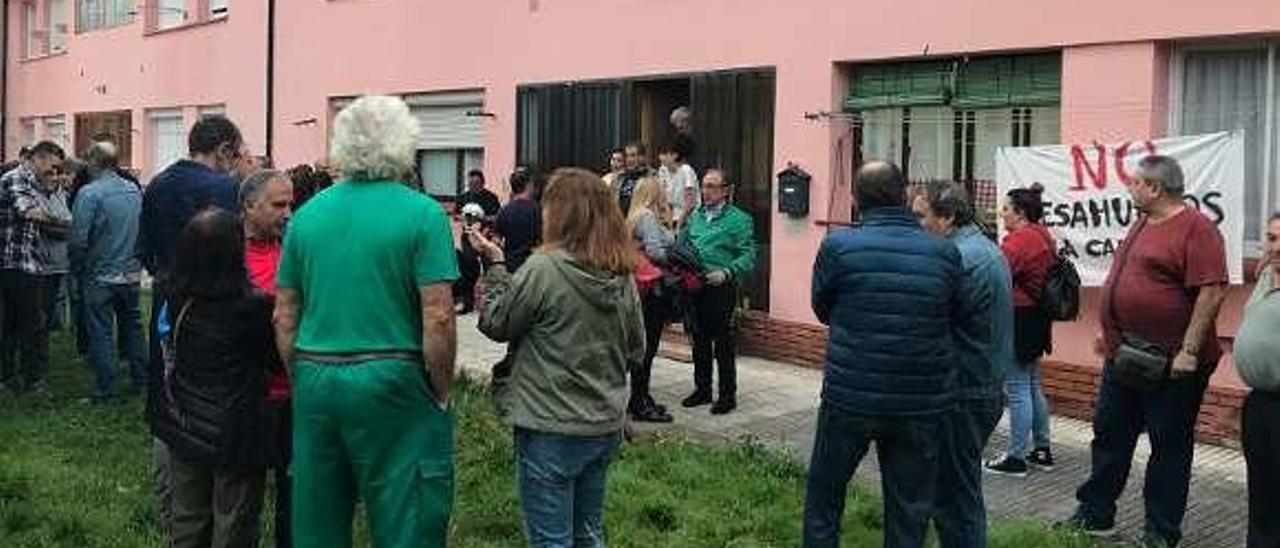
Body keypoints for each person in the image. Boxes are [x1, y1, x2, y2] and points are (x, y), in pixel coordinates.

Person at [274, 95, 458, 548]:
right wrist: (441, 388)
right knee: (407, 511)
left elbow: (285, 314)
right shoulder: (423, 214)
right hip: (393, 377)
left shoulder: (307, 216)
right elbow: (438, 315)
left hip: (316, 374)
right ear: (404, 146)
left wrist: (299, 374)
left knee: (317, 513)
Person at [472, 167, 644, 548]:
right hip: (602, 425)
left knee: (551, 540)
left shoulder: (544, 269)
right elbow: (636, 348)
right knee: (587, 533)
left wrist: (496, 266)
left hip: (550, 425)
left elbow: (497, 322)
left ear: (562, 214)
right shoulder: (622, 274)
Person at [1065, 155, 1228, 547]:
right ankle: (1095, 514)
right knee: (1109, 435)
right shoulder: (1141, 221)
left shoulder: (1197, 229)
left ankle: (1160, 532)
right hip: (1126, 355)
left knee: (1168, 447)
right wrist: (1111, 333)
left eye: (1135, 182)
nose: (1129, 187)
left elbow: (1212, 290)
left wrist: (1189, 350)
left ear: (1155, 188)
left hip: (1173, 363)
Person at [804, 161, 963, 548]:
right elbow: (952, 316)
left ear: (857, 200)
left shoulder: (838, 246)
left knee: (825, 497)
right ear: (905, 195)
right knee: (910, 508)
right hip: (920, 401)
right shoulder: (945, 252)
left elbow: (822, 308)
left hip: (851, 394)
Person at [141, 114, 244, 528]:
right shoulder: (225, 187)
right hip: (219, 308)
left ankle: (173, 503)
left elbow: (144, 249)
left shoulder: (157, 185)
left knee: (168, 392)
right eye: (234, 154)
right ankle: (221, 501)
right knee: (219, 397)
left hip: (168, 301)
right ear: (223, 150)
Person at [152, 208, 277, 548]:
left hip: (185, 419)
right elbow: (275, 361)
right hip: (238, 427)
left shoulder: (175, 295)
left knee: (188, 518)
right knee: (234, 519)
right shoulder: (254, 306)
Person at [912, 182, 1014, 548]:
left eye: (921, 216)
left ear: (949, 216)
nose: (916, 224)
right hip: (978, 386)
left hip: (964, 391)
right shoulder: (981, 249)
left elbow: (932, 326)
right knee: (956, 490)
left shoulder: (961, 259)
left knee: (955, 498)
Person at [239, 169, 294, 548]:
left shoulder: (295, 249)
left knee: (294, 488)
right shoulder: (225, 255)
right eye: (279, 205)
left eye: (290, 203)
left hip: (295, 393)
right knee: (244, 494)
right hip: (247, 396)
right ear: (249, 206)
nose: (288, 213)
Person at [986, 184, 1057, 476]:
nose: (1001, 214)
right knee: (1030, 385)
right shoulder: (1043, 235)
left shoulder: (1020, 240)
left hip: (1020, 317)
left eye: (1005, 209)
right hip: (1036, 318)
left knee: (1016, 388)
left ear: (1020, 212)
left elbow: (995, 273)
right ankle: (1041, 449)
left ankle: (1015, 458)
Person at [69, 142, 147, 404]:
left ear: (93, 162)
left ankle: (106, 389)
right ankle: (142, 380)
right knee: (133, 328)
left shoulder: (90, 194)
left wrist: (77, 268)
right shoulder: (134, 190)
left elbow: (78, 239)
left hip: (99, 273)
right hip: (131, 272)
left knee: (100, 330)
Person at [679, 169, 756, 415]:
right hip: (694, 285)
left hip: (720, 286)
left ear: (725, 190)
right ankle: (702, 389)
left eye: (712, 186)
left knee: (722, 342)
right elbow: (682, 244)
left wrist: (727, 272)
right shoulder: (696, 216)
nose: (706, 191)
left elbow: (749, 255)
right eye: (704, 186)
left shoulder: (739, 219)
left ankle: (727, 395)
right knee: (698, 340)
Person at [0, 141, 66, 396]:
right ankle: (30, 381)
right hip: (14, 264)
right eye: (51, 168)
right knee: (29, 324)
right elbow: (29, 212)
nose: (53, 173)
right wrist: (63, 222)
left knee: (19, 324)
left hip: (26, 262)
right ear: (39, 159)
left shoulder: (31, 182)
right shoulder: (16, 179)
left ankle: (13, 378)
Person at [1237, 213, 1280, 548]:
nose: (1273, 246)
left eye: (1279, 239)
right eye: (1270, 237)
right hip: (1260, 402)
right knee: (1261, 488)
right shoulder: (1268, 275)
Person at [625, 177, 677, 423]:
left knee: (643, 345)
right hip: (652, 289)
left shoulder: (634, 215)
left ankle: (642, 396)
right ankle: (638, 402)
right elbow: (656, 251)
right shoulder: (647, 217)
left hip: (639, 288)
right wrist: (676, 258)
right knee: (648, 346)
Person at [455, 169, 501, 314]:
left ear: (482, 183)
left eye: (476, 184)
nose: (473, 186)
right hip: (468, 238)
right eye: (470, 184)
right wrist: (463, 218)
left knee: (490, 269)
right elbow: (456, 214)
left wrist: (482, 219)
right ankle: (467, 303)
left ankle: (491, 304)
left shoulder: (491, 197)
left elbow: (497, 217)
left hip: (485, 238)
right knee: (468, 270)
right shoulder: (463, 197)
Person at [495, 167, 541, 273]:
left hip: (510, 267)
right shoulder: (538, 210)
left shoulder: (503, 211)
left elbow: (496, 241)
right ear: (529, 185)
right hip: (533, 267)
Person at [657, 140, 700, 227]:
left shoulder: (686, 170)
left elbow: (689, 203)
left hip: (688, 218)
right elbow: (664, 200)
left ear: (675, 155)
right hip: (670, 217)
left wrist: (678, 225)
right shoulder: (663, 170)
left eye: (664, 154)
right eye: (660, 154)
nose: (660, 157)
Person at [615, 142, 654, 215]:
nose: (629, 160)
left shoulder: (652, 177)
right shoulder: (619, 178)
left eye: (633, 155)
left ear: (642, 157)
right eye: (627, 156)